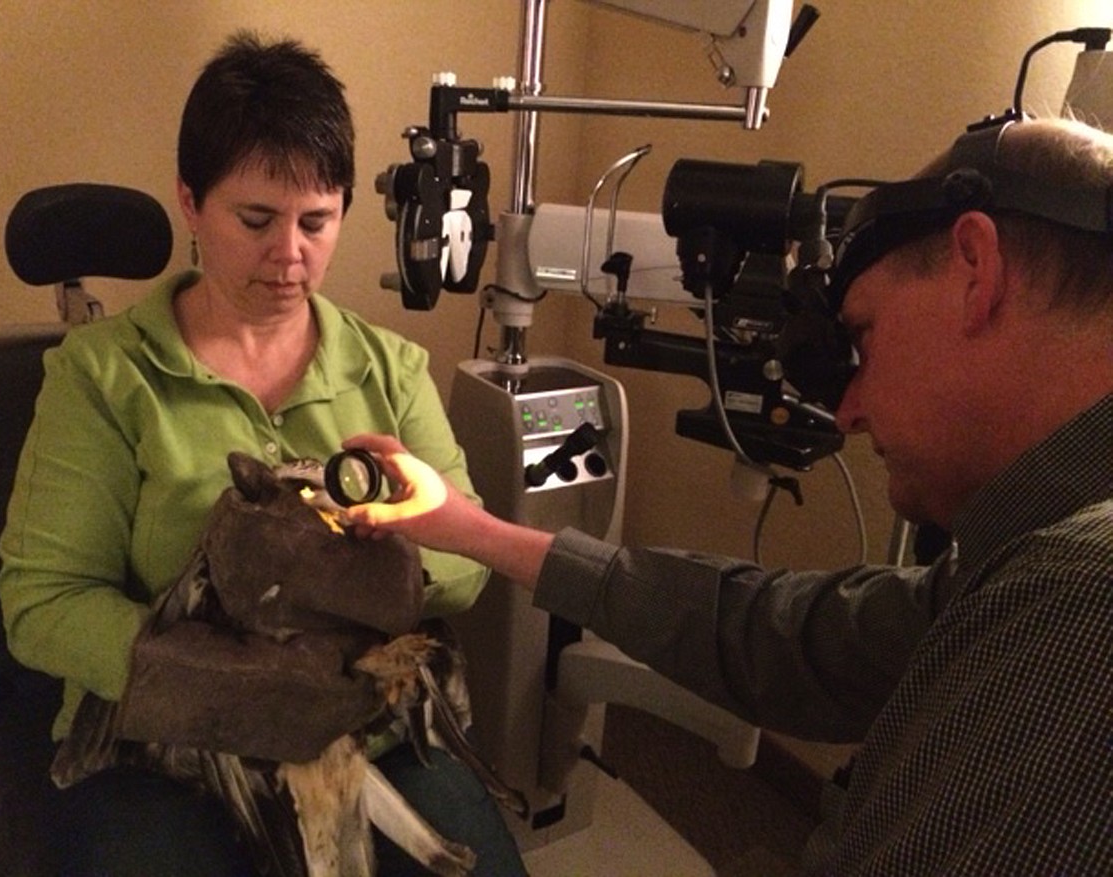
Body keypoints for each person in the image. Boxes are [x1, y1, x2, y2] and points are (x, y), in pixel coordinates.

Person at [340, 116, 1113, 875]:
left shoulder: (1078, 599)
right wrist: (473, 527)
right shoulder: (1017, 560)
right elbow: (794, 637)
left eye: (864, 337)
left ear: (977, 269)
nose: (845, 412)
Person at [0, 31, 526, 877]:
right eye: (256, 220)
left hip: (361, 732)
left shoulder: (388, 369)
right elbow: (40, 601)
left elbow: (466, 564)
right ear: (190, 201)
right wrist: (221, 680)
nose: (289, 256)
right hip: (159, 743)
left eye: (317, 222)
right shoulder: (104, 377)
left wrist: (368, 573)